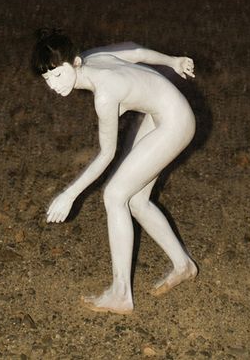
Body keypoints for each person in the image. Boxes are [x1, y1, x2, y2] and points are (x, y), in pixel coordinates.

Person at [32, 29, 198, 315]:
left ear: (73, 64)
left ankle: (121, 293)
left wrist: (69, 195)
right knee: (136, 200)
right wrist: (171, 61)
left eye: (58, 75)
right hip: (162, 112)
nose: (54, 86)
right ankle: (183, 265)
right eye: (47, 79)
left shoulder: (105, 95)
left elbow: (107, 154)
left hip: (176, 121)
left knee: (115, 195)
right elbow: (135, 51)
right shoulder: (89, 57)